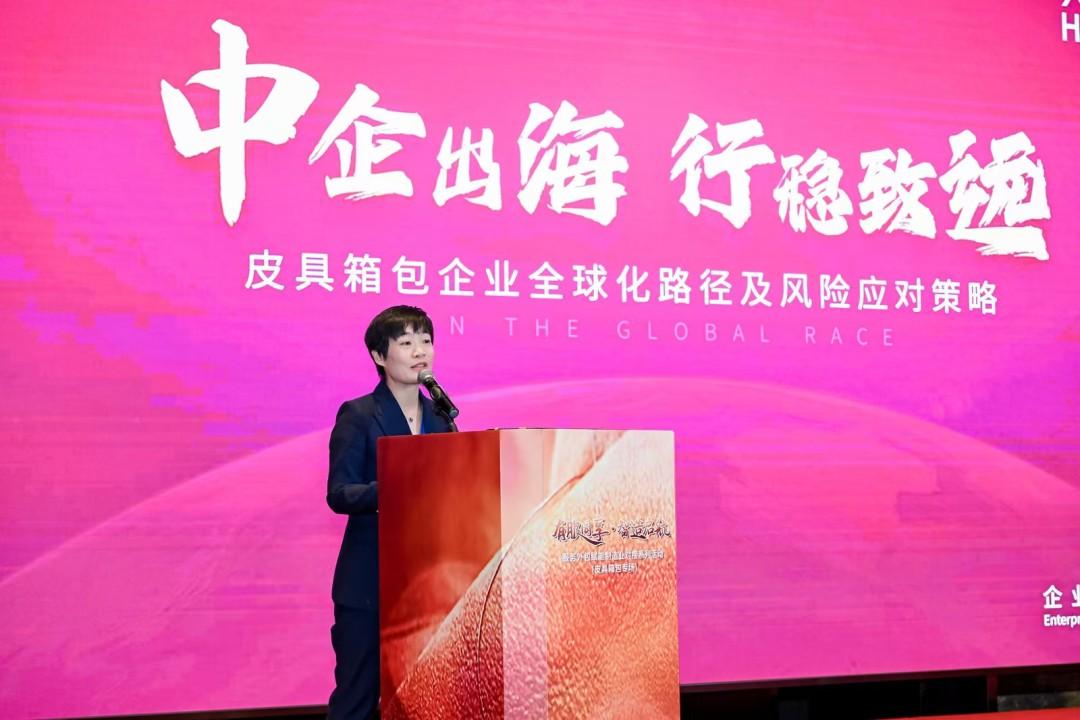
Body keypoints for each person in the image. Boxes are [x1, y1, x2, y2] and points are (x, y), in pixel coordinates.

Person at [326, 305, 454, 720]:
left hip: (427, 582)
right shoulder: (359, 415)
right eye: (406, 342)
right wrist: (398, 490)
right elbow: (339, 493)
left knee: (421, 698)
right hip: (370, 581)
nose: (420, 351)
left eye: (426, 340)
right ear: (379, 356)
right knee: (357, 699)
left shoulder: (441, 416)